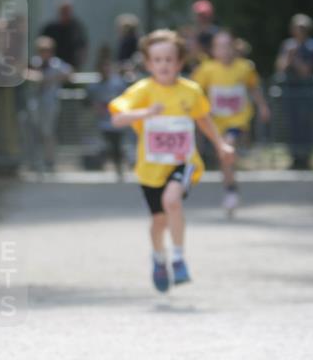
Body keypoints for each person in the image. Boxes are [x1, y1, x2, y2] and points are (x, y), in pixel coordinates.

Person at [109, 29, 234, 293]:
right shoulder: (143, 90)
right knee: (159, 221)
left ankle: (178, 258)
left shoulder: (191, 91)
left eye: (169, 59)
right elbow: (117, 118)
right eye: (157, 60)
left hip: (184, 161)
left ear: (179, 63)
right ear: (148, 64)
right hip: (150, 168)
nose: (163, 65)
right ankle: (158, 258)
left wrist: (220, 144)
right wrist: (146, 112)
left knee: (172, 201)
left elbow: (203, 118)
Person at [192, 30, 270, 217]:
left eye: (227, 46)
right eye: (219, 47)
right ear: (213, 50)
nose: (224, 51)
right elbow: (194, 91)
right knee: (224, 155)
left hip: (238, 119)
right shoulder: (207, 69)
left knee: (228, 146)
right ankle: (230, 186)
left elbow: (254, 88)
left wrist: (263, 107)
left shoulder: (244, 67)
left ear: (234, 48)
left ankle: (231, 190)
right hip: (216, 122)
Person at [275, 13, 313, 170]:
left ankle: (306, 158)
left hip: (305, 93)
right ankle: (294, 158)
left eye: (301, 28)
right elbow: (280, 67)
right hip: (290, 93)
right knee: (292, 125)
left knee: (306, 125)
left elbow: (305, 71)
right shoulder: (287, 45)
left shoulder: (312, 46)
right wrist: (288, 57)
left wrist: (294, 58)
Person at [25, 36, 71, 172]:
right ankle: (34, 162)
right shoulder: (35, 62)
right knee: (33, 132)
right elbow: (21, 72)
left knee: (48, 132)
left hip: (50, 103)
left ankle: (49, 161)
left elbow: (69, 72)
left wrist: (50, 79)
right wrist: (35, 76)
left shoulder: (56, 64)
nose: (45, 53)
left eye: (47, 50)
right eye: (42, 50)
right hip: (35, 102)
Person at [89, 45, 128, 180]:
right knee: (106, 145)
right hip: (102, 121)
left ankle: (119, 167)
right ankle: (108, 164)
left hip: (116, 120)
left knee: (117, 144)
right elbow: (89, 101)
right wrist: (96, 106)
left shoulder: (118, 83)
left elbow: (126, 98)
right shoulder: (94, 85)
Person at [40, 0, 87, 69]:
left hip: (72, 67)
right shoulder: (50, 28)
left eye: (68, 11)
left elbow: (82, 46)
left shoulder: (76, 28)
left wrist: (81, 62)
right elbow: (41, 44)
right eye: (64, 11)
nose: (66, 14)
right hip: (52, 68)